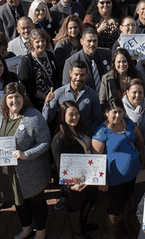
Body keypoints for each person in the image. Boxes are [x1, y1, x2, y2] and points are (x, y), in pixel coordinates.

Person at [0, 82, 51, 239]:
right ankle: (26, 228)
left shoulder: (33, 116)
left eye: (17, 97)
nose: (14, 101)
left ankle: (41, 232)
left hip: (30, 171)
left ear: (24, 98)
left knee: (35, 201)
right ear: (5, 99)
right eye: (10, 97)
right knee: (18, 202)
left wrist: (26, 154)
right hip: (7, 171)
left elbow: (45, 141)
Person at [92, 97, 145, 239]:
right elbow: (95, 158)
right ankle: (111, 231)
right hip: (113, 178)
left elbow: (139, 139)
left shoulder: (128, 123)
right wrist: (100, 181)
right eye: (114, 112)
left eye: (120, 111)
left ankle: (125, 224)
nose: (117, 115)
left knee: (127, 200)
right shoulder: (101, 132)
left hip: (131, 174)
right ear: (106, 113)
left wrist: (142, 159)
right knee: (116, 206)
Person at [51, 101, 98, 239]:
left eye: (77, 113)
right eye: (70, 114)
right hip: (74, 183)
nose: (75, 117)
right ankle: (76, 232)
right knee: (76, 207)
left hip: (89, 177)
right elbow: (60, 166)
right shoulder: (59, 139)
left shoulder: (80, 130)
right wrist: (71, 185)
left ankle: (83, 224)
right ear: (62, 116)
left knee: (88, 201)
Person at [43, 60, 102, 136]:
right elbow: (47, 119)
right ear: (70, 73)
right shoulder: (59, 93)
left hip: (85, 137)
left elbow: (98, 119)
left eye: (82, 75)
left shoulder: (92, 94)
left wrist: (88, 135)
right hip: (65, 137)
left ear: (86, 75)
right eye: (76, 74)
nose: (78, 78)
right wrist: (47, 103)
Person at [62, 27, 113, 94]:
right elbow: (67, 88)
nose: (92, 44)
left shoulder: (106, 54)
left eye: (95, 41)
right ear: (81, 42)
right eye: (89, 41)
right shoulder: (71, 61)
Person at [18, 29, 57, 111]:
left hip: (53, 100)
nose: (41, 44)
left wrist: (54, 96)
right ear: (31, 43)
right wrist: (45, 97)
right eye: (37, 42)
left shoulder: (50, 56)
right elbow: (27, 84)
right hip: (36, 103)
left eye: (43, 41)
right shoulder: (27, 60)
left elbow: (56, 76)